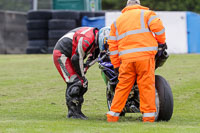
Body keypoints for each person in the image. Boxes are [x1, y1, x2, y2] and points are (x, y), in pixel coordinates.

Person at [106, 0, 167, 122]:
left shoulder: (117, 22)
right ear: (138, 4)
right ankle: (148, 118)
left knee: (122, 87)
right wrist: (161, 43)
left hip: (126, 60)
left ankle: (112, 116)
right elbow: (159, 29)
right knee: (146, 86)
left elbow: (112, 46)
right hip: (145, 57)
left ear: (127, 6)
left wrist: (116, 65)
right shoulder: (147, 14)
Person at [53, 27, 99, 119]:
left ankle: (77, 111)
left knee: (82, 85)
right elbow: (76, 59)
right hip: (62, 55)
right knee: (76, 83)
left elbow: (95, 56)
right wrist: (82, 76)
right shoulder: (87, 39)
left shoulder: (97, 38)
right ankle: (72, 113)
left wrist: (86, 67)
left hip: (73, 56)